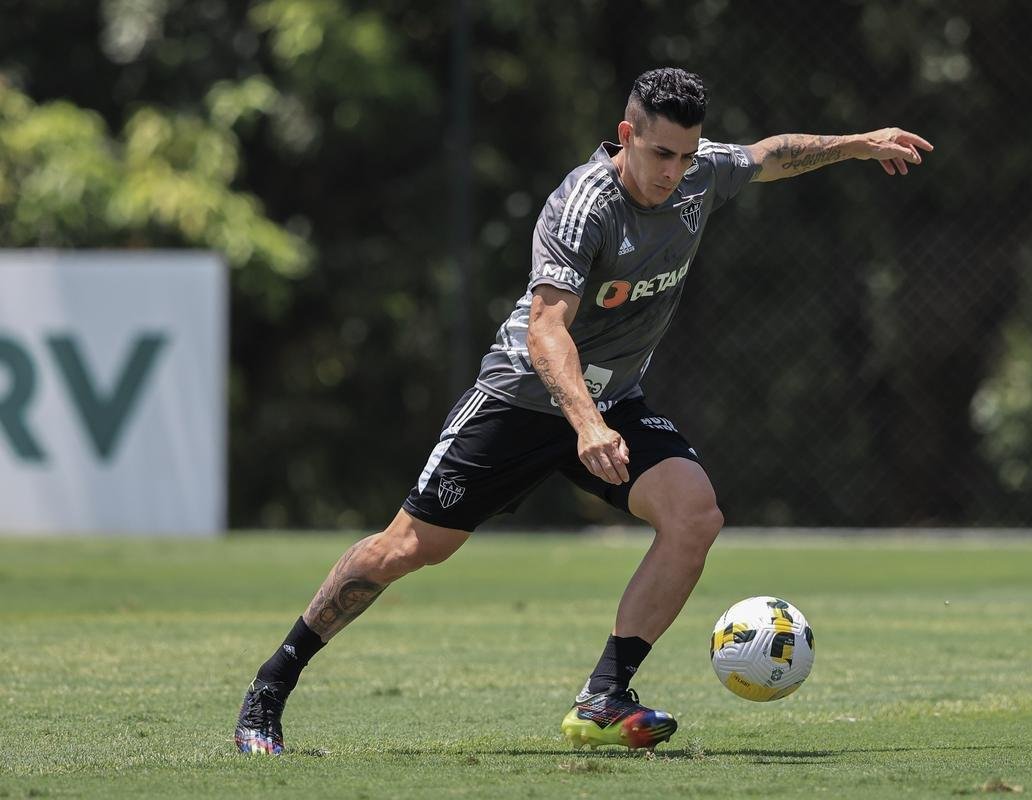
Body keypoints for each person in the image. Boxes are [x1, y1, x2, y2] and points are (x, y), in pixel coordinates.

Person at [235, 66, 932, 755]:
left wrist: (859, 142)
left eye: (687, 155)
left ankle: (604, 697)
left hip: (613, 400)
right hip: (522, 397)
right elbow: (546, 331)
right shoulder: (583, 206)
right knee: (410, 549)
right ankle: (270, 687)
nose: (673, 171)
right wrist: (586, 423)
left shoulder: (697, 178)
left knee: (694, 515)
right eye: (660, 153)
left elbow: (770, 155)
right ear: (626, 135)